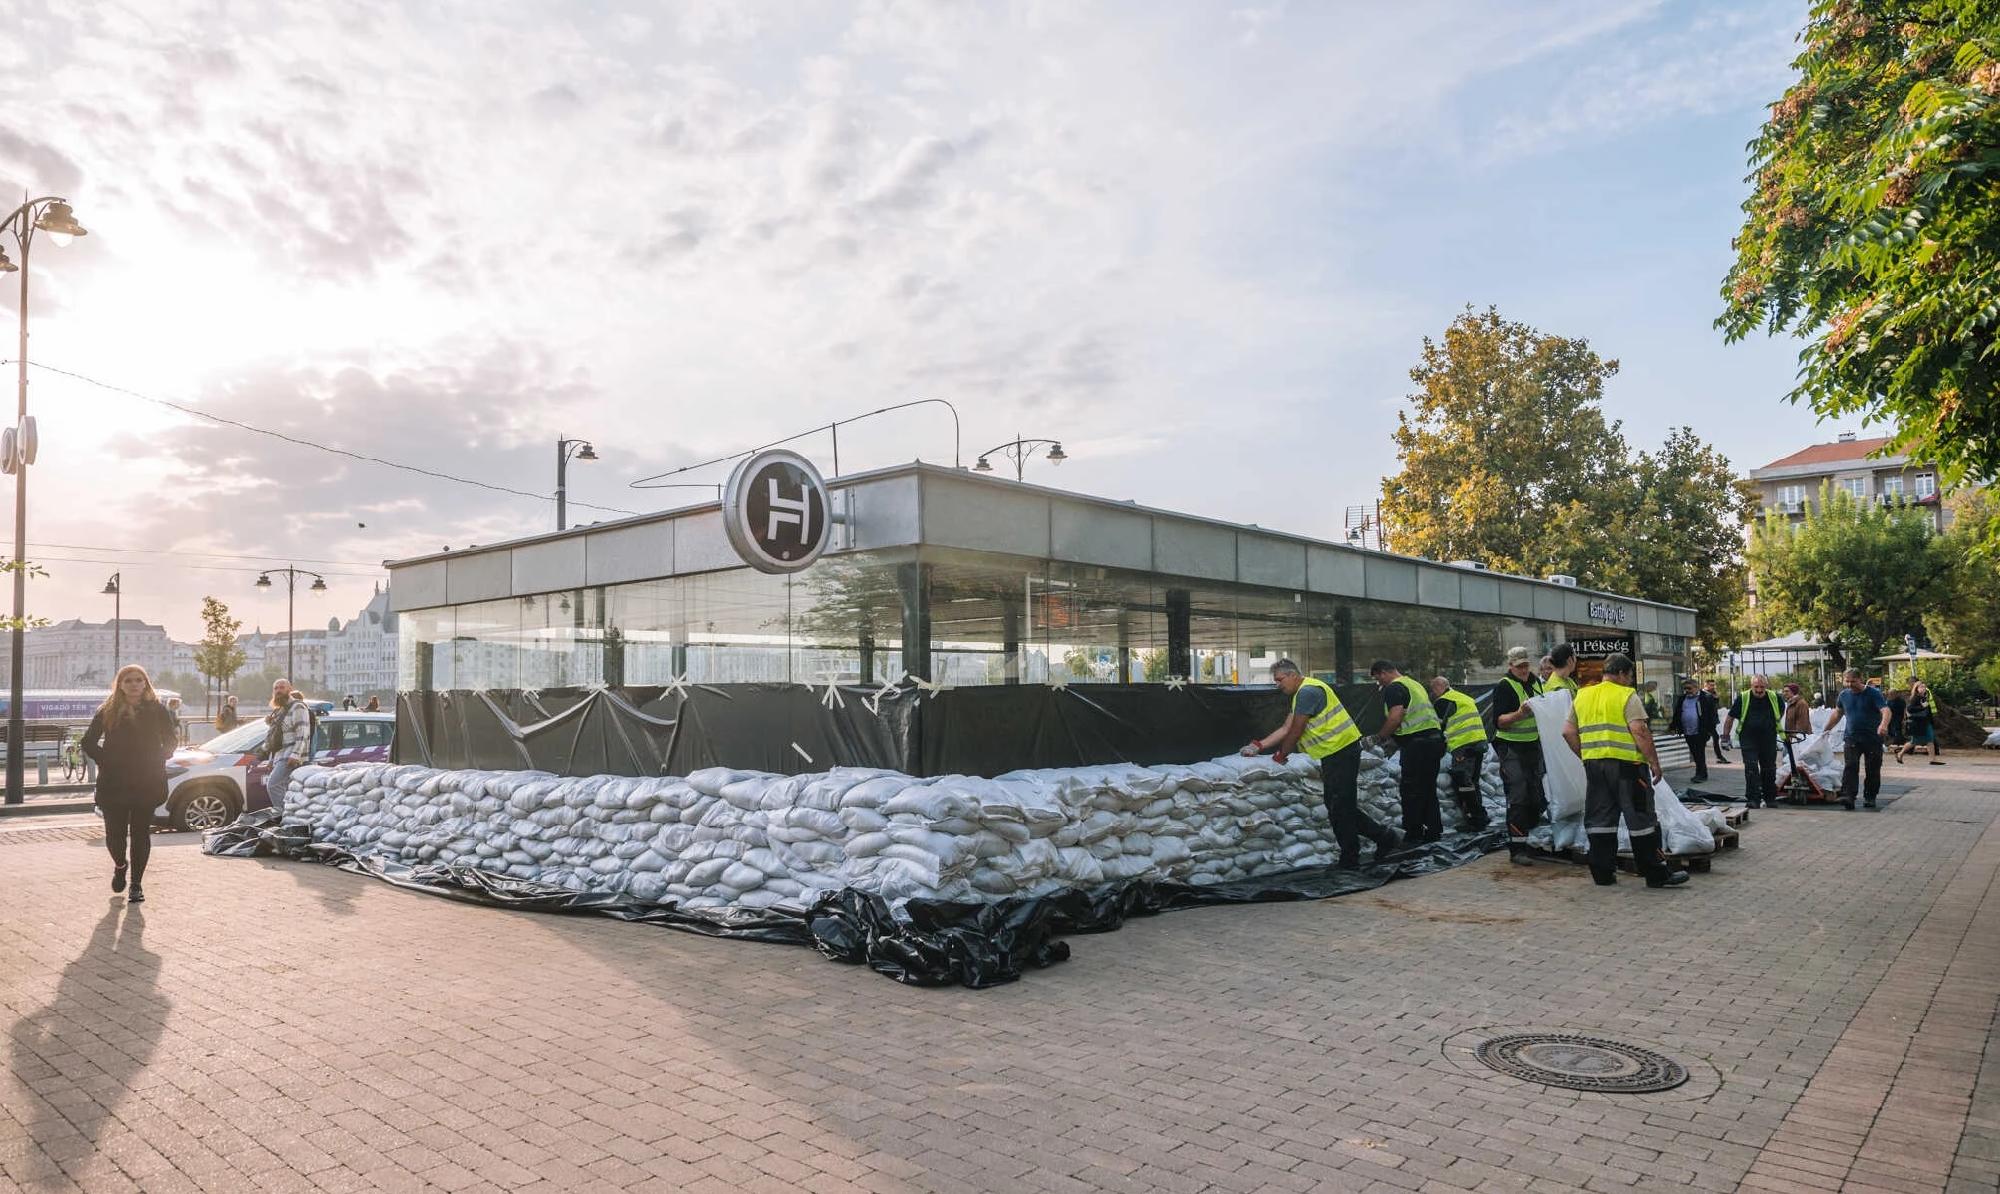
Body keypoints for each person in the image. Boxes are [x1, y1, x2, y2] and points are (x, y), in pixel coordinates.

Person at [1242, 660, 1399, 867]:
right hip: (1334, 753)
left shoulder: (1308, 692)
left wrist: (1282, 754)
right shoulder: (1302, 693)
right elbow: (1286, 727)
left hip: (1342, 751)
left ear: (1292, 675)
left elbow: (1296, 730)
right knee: (1338, 806)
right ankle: (1384, 838)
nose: (1278, 685)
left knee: (1340, 807)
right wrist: (1258, 746)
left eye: (1280, 680)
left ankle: (1352, 857)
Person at [1562, 653, 1688, 889]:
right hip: (1628, 768)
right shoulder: (1627, 695)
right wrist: (1654, 762)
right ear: (1621, 674)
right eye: (1629, 676)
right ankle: (1655, 873)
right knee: (1641, 819)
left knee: (1600, 819)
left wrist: (1586, 755)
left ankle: (1602, 874)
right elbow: (1639, 730)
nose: (1630, 681)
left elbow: (1567, 732)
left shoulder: (1583, 694)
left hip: (1595, 766)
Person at [79, 665, 179, 904]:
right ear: (120, 685)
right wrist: (107, 760)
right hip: (114, 781)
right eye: (128, 681)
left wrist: (160, 756)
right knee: (114, 835)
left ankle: (136, 885)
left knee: (140, 833)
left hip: (147, 779)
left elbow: (171, 740)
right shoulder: (107, 710)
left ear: (145, 683)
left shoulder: (157, 710)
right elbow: (88, 741)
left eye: (138, 680)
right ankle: (120, 865)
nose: (134, 684)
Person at [1369, 660, 1446, 844]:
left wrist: (1379, 738)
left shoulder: (1394, 688)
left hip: (1417, 746)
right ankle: (1433, 831)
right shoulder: (1413, 684)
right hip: (1434, 742)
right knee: (1428, 788)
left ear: (1383, 673)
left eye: (1378, 678)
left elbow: (1396, 717)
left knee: (1411, 790)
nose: (1379, 683)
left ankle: (1414, 834)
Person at [1490, 646, 1546, 864]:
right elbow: (1500, 721)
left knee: (1536, 795)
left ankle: (1528, 838)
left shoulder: (1535, 682)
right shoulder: (1504, 687)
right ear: (1511, 666)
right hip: (1511, 748)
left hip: (1532, 746)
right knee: (1518, 795)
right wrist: (1520, 714)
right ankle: (1517, 849)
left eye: (1526, 665)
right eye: (1519, 666)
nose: (1523, 670)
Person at [1426, 675, 1490, 832]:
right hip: (1478, 742)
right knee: (1472, 782)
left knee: (1463, 782)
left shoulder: (1445, 700)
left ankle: (1477, 818)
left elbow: (1437, 726)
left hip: (1463, 745)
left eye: (1433, 689)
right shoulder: (1463, 697)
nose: (1432, 693)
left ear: (1440, 687)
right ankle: (1480, 818)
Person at [1823, 668, 1891, 810]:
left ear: (1860, 679)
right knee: (1850, 766)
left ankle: (1870, 797)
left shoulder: (1874, 694)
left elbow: (1886, 710)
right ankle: (1848, 796)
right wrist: (1826, 729)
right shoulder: (1844, 695)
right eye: (1846, 681)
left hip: (1873, 738)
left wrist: (1883, 725)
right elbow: (1838, 713)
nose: (1849, 684)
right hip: (1852, 737)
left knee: (1872, 768)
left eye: (1853, 681)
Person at [1721, 674, 1783, 809]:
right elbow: (1730, 718)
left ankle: (1770, 798)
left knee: (1769, 769)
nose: (1759, 690)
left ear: (1767, 686)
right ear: (1751, 686)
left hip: (1768, 738)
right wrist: (1725, 737)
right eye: (1756, 687)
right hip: (1748, 738)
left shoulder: (1775, 698)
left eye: (1762, 687)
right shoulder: (1743, 698)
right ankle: (1753, 799)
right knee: (1751, 768)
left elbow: (1780, 713)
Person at [263, 679, 312, 817]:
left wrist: (295, 754)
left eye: (282, 687)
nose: (278, 690)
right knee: (290, 789)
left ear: (289, 689)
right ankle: (293, 817)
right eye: (276, 688)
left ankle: (285, 816)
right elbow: (276, 737)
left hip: (290, 755)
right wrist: (272, 759)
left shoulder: (298, 707)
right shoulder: (280, 710)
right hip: (281, 754)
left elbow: (303, 733)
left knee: (273, 785)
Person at [1674, 679, 1717, 783]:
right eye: (1685, 688)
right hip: (1688, 730)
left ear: (1696, 687)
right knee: (1694, 752)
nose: (1687, 691)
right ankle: (1700, 772)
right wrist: (1674, 726)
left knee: (1699, 752)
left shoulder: (1705, 698)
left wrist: (1709, 730)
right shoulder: (1682, 699)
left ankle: (1701, 774)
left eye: (1689, 688)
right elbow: (1677, 713)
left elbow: (1712, 716)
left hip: (1700, 731)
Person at [1896, 679, 1945, 766]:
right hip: (1918, 723)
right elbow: (1910, 709)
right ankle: (1900, 754)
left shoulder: (1924, 697)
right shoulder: (1915, 698)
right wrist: (1922, 707)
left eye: (1924, 687)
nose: (1924, 688)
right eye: (1921, 687)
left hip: (1926, 722)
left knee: (1930, 739)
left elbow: (1928, 711)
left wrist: (1932, 719)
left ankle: (1933, 759)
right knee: (1914, 741)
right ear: (1916, 689)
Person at [1781, 682, 1813, 790]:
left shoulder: (1800, 704)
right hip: (1789, 738)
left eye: (1787, 691)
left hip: (1797, 740)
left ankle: (1798, 783)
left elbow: (1802, 723)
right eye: (1783, 691)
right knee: (1787, 762)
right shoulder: (1791, 703)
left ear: (1793, 692)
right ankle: (1791, 782)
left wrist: (1797, 737)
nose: (1784, 693)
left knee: (1795, 763)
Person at [1702, 680, 1732, 764]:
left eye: (1713, 685)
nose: (1713, 687)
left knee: (1711, 738)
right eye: (1710, 685)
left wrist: (1716, 698)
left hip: (1711, 721)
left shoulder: (1712, 695)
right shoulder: (1703, 695)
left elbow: (1715, 706)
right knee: (1713, 737)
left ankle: (1718, 757)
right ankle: (1718, 756)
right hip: (1706, 722)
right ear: (1706, 685)